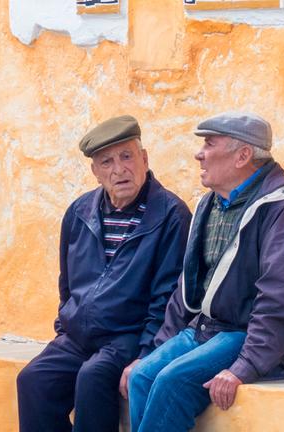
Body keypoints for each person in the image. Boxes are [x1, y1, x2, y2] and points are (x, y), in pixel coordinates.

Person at [127, 112, 284, 432]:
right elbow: (189, 287)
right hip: (210, 328)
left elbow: (281, 298)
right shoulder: (212, 204)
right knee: (143, 375)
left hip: (258, 338)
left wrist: (245, 366)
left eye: (209, 144)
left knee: (172, 382)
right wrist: (157, 350)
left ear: (243, 155)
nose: (199, 153)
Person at [16, 115, 192, 432]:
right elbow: (66, 283)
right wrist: (65, 325)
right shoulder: (79, 212)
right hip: (77, 336)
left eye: (127, 156)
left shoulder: (170, 214)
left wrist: (147, 352)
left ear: (145, 158)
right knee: (33, 380)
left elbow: (168, 294)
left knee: (92, 377)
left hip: (128, 336)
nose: (119, 169)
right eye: (106, 162)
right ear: (95, 172)